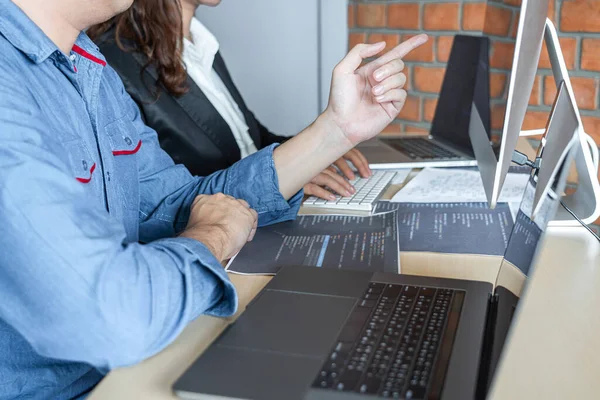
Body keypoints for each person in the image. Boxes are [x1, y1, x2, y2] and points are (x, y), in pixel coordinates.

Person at [0, 0, 425, 397]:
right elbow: (111, 317)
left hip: (133, 366)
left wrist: (337, 130)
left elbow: (175, 203)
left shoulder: (87, 65)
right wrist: (215, 235)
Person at [88, 0, 372, 200]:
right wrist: (285, 175)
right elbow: (161, 199)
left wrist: (317, 151)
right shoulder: (115, 65)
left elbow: (254, 141)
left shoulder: (203, 45)